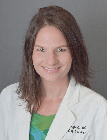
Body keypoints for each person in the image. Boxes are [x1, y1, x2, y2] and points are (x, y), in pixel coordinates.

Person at [0, 5, 107, 140]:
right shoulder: (7, 98)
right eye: (41, 49)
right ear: (30, 52)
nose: (51, 61)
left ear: (74, 51)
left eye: (61, 50)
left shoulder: (97, 108)